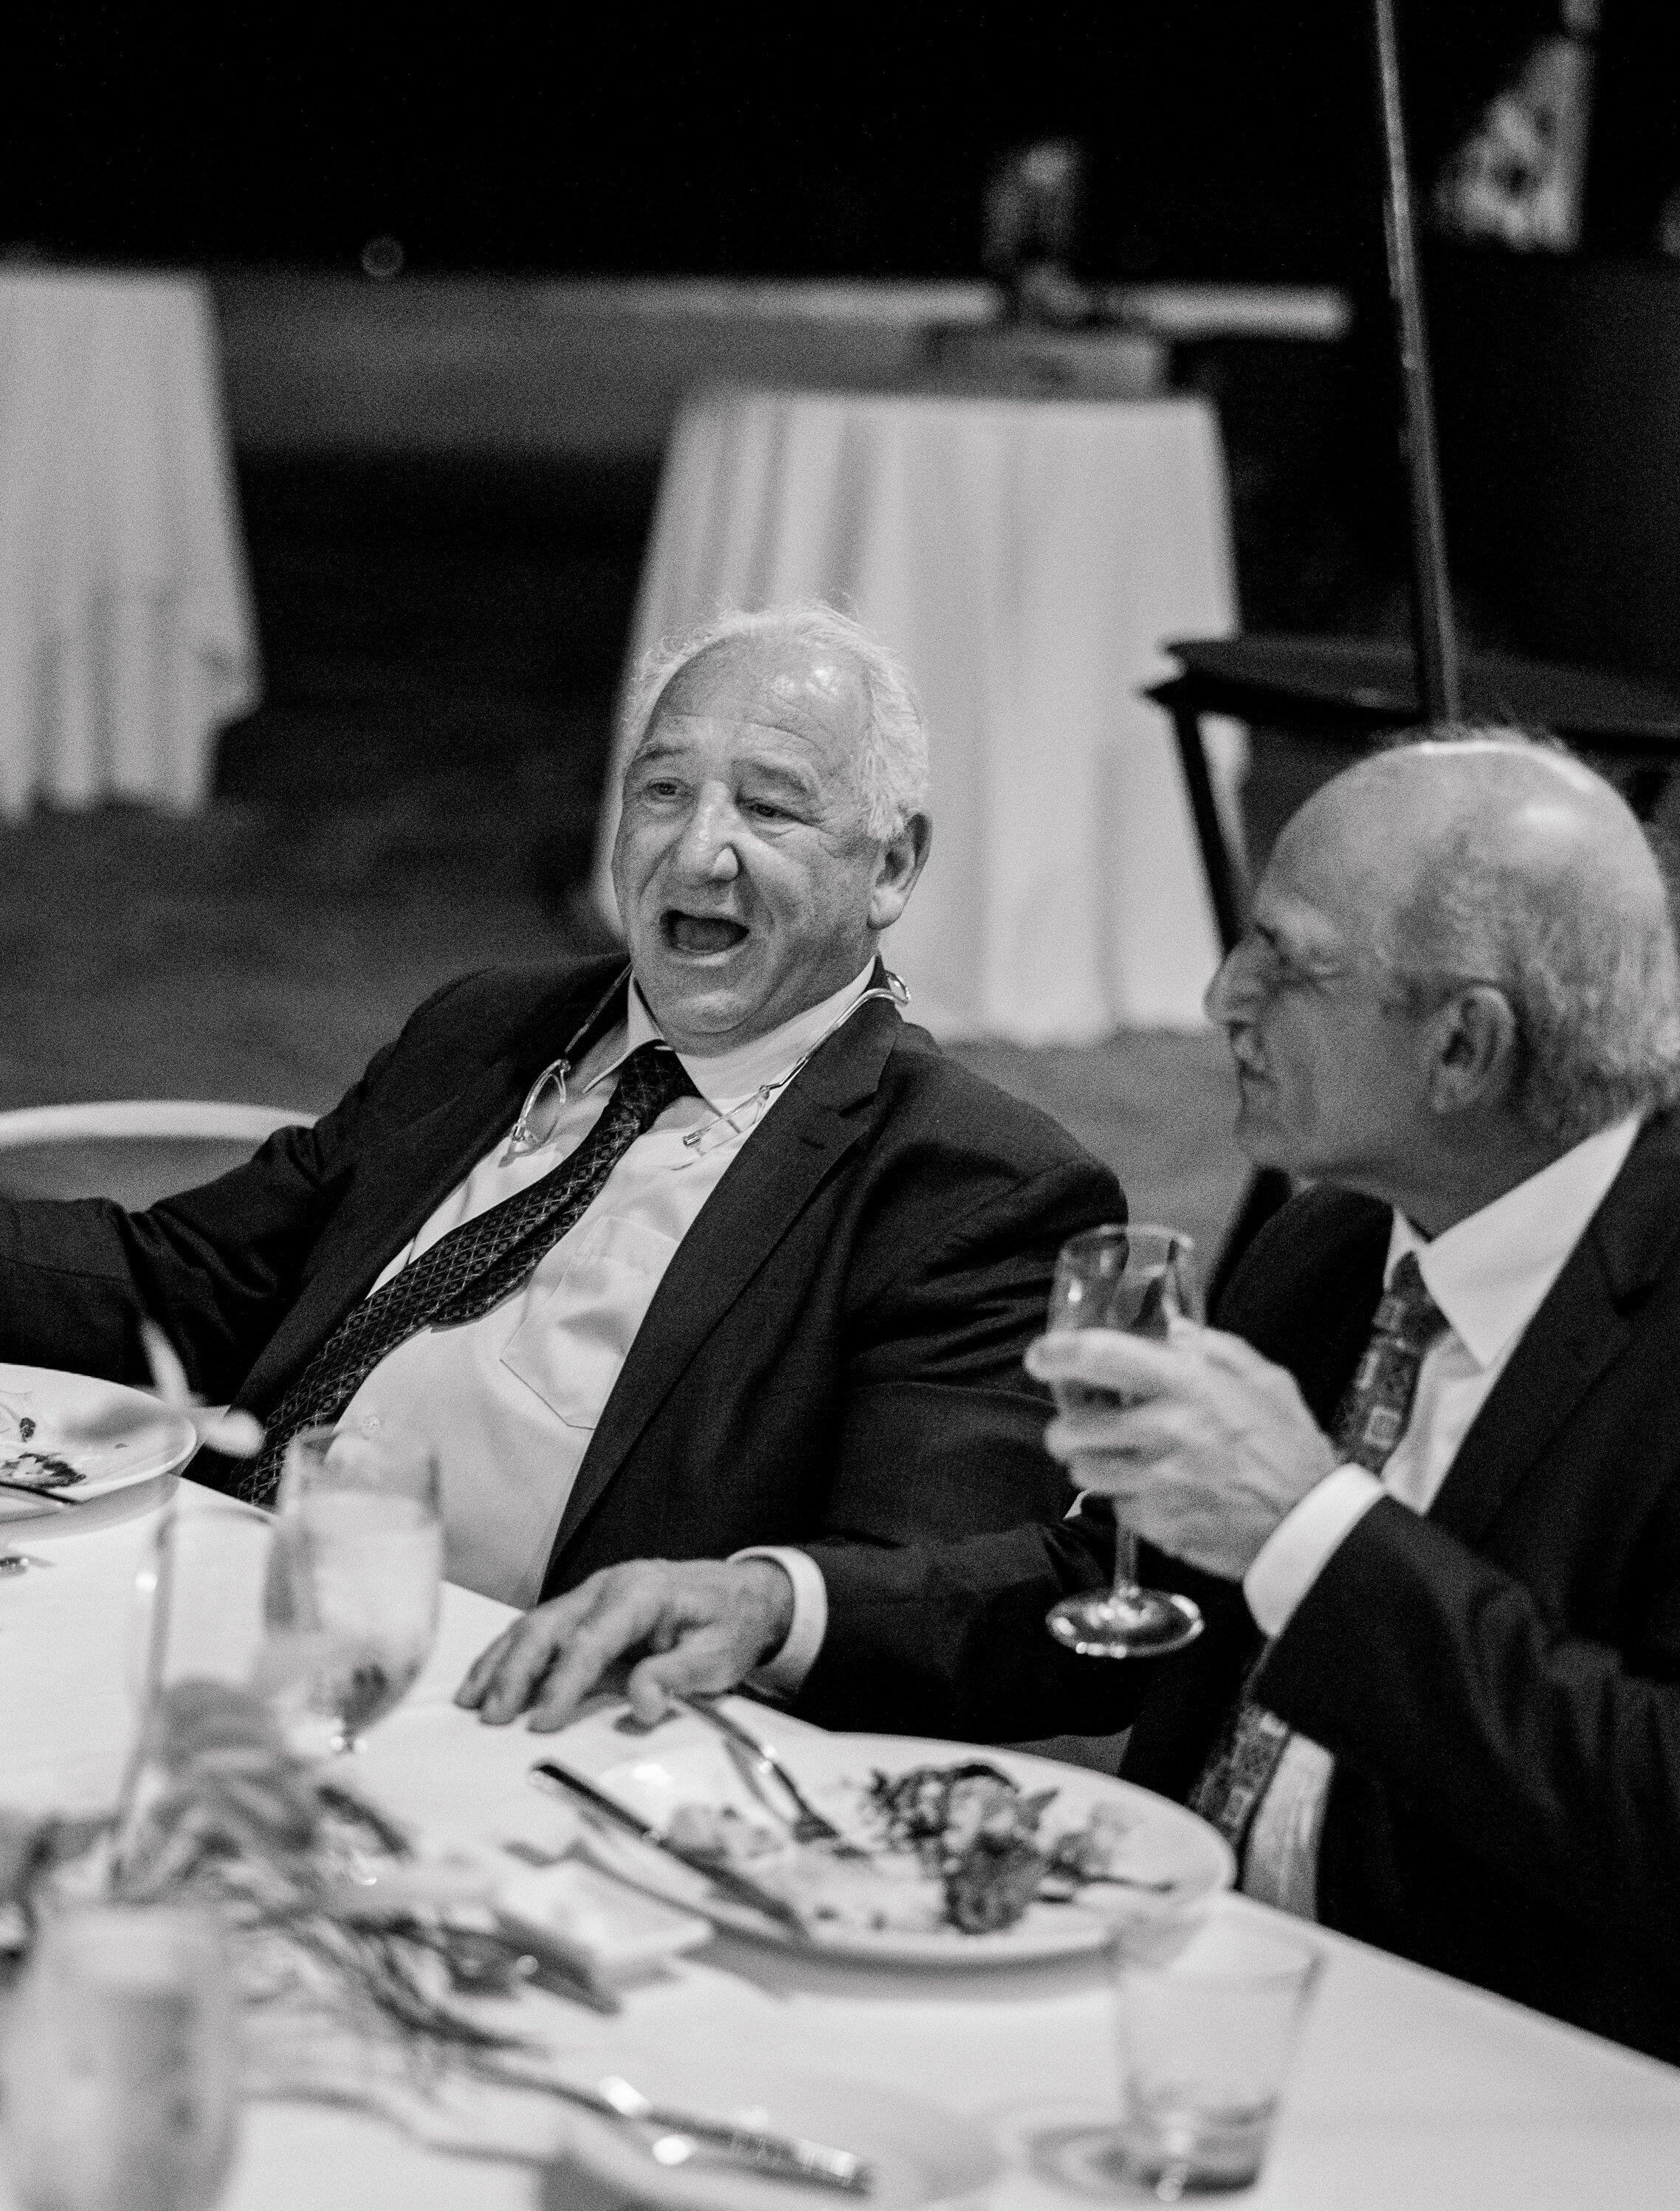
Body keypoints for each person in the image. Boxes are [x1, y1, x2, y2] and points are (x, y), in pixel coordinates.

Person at [469, 731, 1680, 2080]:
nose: (1218, 998)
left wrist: (1310, 1531)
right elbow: (1122, 1595)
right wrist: (775, 1605)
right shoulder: (1338, 1241)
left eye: (1283, 962)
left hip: (1514, 2096)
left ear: (1463, 1046)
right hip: (1180, 2007)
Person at [0, 606, 1120, 1629]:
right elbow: (198, 1281)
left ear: (892, 866)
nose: (696, 851)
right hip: (199, 1591)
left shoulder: (964, 1183)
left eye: (770, 806)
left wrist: (760, 1605)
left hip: (515, 1719)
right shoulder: (489, 1024)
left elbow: (936, 1584)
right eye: (662, 791)